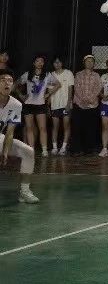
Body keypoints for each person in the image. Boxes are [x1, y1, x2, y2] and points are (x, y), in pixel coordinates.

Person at [1, 71, 39, 203]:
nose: (7, 83)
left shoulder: (16, 104)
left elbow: (10, 132)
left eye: (10, 80)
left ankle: (25, 191)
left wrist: (5, 151)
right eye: (3, 80)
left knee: (28, 151)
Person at [19, 55, 59, 157]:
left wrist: (48, 94)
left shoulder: (47, 74)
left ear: (44, 63)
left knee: (42, 128)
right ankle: (31, 149)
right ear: (34, 63)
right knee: (29, 128)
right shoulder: (28, 74)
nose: (40, 63)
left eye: (42, 61)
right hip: (28, 104)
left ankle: (44, 150)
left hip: (40, 104)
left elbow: (58, 84)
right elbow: (15, 84)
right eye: (37, 61)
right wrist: (21, 95)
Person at [72, 55, 101, 155]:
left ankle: (90, 149)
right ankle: (77, 149)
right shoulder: (78, 74)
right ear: (84, 63)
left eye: (91, 61)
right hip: (79, 104)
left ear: (94, 64)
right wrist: (83, 99)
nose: (89, 63)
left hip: (92, 104)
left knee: (91, 128)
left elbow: (98, 88)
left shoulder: (96, 75)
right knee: (78, 128)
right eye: (87, 61)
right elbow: (76, 88)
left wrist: (90, 99)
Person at [49, 57, 74, 156]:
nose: (57, 64)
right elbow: (49, 91)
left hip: (65, 104)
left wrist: (68, 103)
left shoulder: (68, 73)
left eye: (59, 62)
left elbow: (70, 89)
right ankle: (55, 147)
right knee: (55, 126)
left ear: (62, 63)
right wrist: (48, 103)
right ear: (53, 64)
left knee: (66, 125)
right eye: (55, 62)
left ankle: (63, 147)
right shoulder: (51, 75)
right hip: (55, 104)